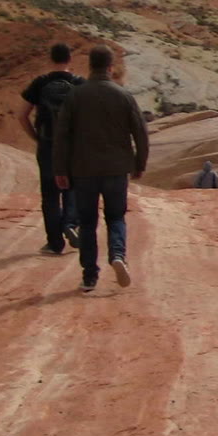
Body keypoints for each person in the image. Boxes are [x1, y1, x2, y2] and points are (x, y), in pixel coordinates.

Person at [51, 45, 149, 292]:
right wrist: (139, 164)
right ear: (110, 67)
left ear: (89, 66)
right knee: (116, 217)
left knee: (87, 222)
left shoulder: (75, 95)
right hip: (116, 169)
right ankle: (117, 255)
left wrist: (60, 170)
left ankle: (89, 276)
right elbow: (140, 132)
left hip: (83, 170)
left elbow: (62, 136)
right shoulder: (123, 95)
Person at [19, 43, 82, 254]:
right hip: (72, 146)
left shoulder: (40, 83)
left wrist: (36, 138)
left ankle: (55, 243)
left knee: (50, 194)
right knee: (72, 188)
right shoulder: (79, 83)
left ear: (50, 59)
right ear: (70, 59)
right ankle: (70, 224)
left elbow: (21, 115)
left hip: (47, 145)